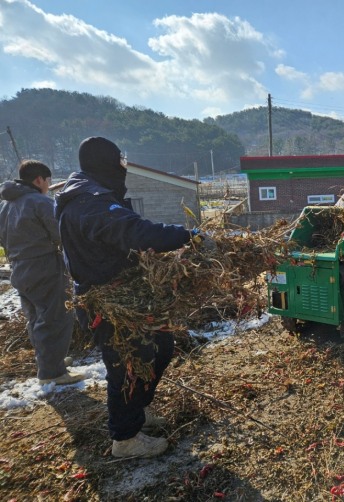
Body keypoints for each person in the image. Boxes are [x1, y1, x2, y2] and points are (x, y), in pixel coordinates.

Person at [54, 136, 212, 459]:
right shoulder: (91, 203)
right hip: (106, 301)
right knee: (126, 363)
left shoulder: (88, 192)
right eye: (119, 161)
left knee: (162, 344)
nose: (123, 167)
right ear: (106, 163)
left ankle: (136, 410)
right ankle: (125, 438)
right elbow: (136, 232)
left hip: (124, 292)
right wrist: (187, 237)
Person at [0, 160, 82, 385]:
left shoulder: (6, 206)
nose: (49, 184)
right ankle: (52, 374)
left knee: (36, 318)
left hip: (19, 269)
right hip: (44, 267)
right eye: (48, 180)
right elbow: (60, 234)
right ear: (39, 180)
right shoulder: (40, 202)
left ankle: (50, 363)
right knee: (55, 317)